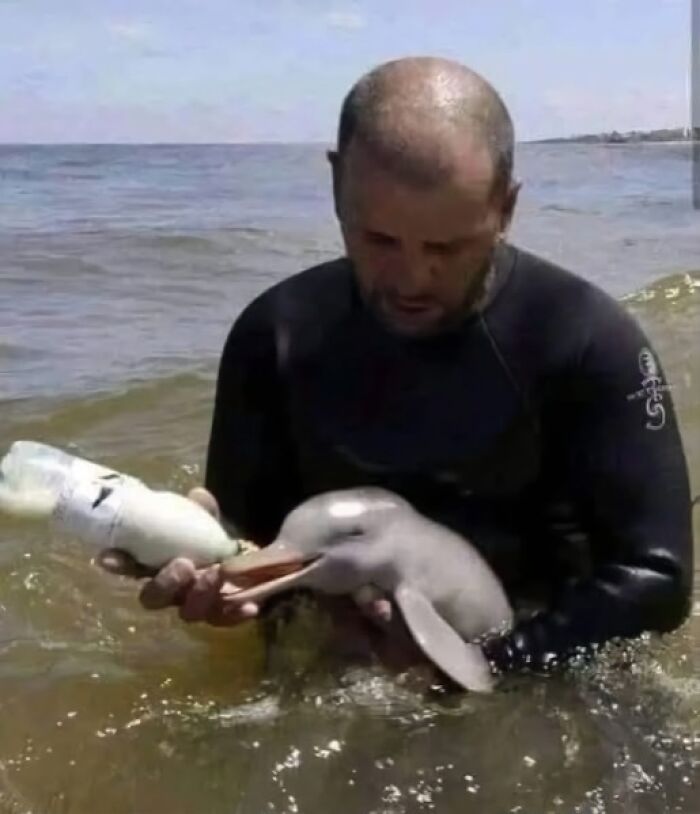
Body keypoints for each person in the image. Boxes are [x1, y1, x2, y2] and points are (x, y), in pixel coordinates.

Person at [102, 56, 693, 674]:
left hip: (536, 666)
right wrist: (212, 572)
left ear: (506, 207)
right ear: (336, 185)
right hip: (344, 662)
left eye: (448, 247)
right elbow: (254, 544)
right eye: (379, 240)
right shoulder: (273, 334)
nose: (411, 280)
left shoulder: (588, 341)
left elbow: (657, 579)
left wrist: (489, 665)